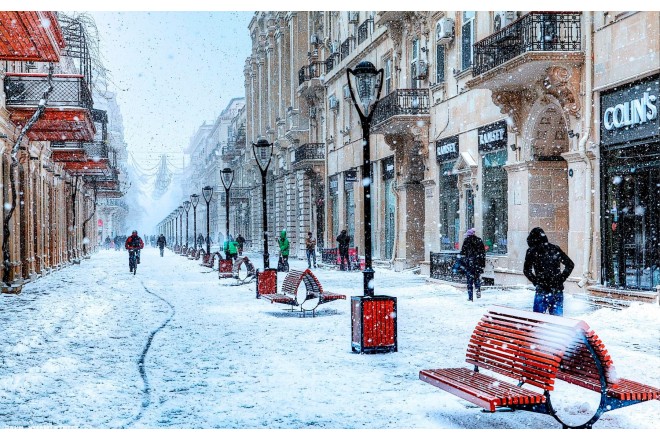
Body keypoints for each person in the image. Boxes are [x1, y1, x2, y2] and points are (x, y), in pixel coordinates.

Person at [523, 227, 574, 316]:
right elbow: (570, 264)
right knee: (557, 322)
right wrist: (561, 279)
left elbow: (526, 270)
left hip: (542, 289)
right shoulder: (555, 249)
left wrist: (536, 281)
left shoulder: (532, 251)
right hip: (556, 289)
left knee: (537, 320)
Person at [460, 228, 486, 302]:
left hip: (469, 264)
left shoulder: (466, 241)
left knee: (469, 282)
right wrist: (482, 264)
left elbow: (463, 253)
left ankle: (470, 297)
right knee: (477, 279)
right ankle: (478, 293)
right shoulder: (479, 240)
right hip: (477, 264)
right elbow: (483, 253)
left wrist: (463, 264)